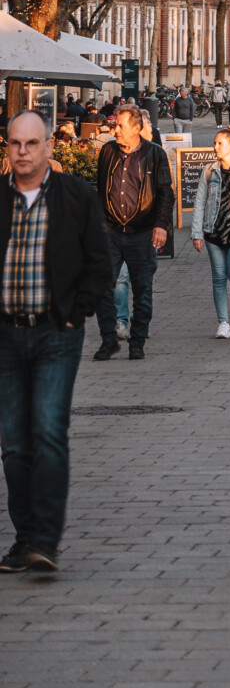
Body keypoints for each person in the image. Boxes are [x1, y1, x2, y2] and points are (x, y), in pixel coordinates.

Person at [0, 108, 112, 577]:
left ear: (48, 147)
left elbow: (98, 261)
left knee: (47, 431)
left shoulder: (74, 196)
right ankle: (24, 536)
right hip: (6, 334)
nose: (23, 153)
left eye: (31, 144)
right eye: (14, 144)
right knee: (13, 442)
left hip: (55, 331)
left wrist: (77, 312)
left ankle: (45, 539)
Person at [92, 103, 174, 361]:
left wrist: (161, 225)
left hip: (141, 232)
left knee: (142, 290)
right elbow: (101, 188)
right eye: (115, 124)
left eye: (120, 126)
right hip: (110, 230)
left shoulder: (155, 154)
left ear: (137, 128)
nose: (115, 129)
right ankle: (109, 339)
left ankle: (137, 341)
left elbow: (165, 193)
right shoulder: (107, 151)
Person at [191, 128, 230, 338]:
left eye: (220, 143)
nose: (215, 147)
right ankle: (223, 323)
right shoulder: (209, 171)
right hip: (214, 231)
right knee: (218, 277)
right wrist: (197, 232)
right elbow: (199, 202)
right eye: (214, 143)